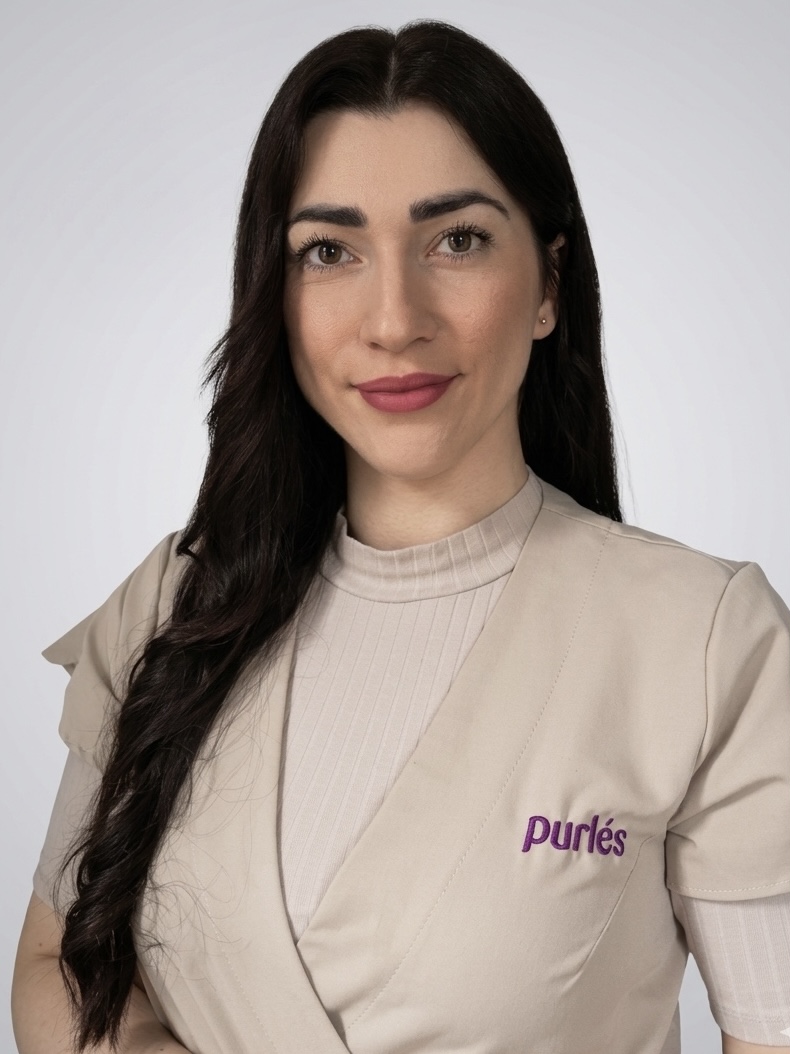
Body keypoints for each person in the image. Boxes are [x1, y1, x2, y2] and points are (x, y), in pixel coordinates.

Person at [11, 18, 790, 1054]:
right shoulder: (171, 607)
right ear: (275, 293)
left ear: (550, 284)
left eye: (456, 240)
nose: (392, 318)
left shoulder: (706, 641)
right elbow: (57, 965)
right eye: (329, 251)